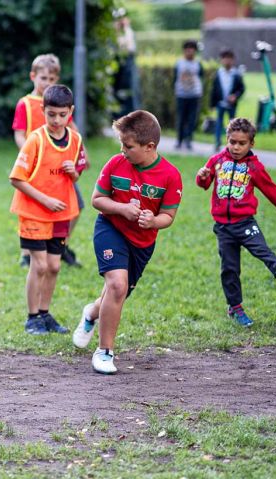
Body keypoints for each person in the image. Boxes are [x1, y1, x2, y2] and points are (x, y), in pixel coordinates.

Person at [72, 110, 182, 374]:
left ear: (150, 146)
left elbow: (168, 216)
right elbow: (98, 199)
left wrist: (153, 221)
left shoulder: (170, 175)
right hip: (110, 228)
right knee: (117, 285)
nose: (122, 150)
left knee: (117, 294)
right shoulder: (115, 164)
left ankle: (91, 313)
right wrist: (121, 209)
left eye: (128, 146)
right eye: (121, 144)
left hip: (142, 244)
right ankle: (105, 353)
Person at [196, 117, 276, 327]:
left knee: (263, 250)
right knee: (230, 268)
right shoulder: (217, 161)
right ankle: (235, 308)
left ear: (251, 143)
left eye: (241, 143)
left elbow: (272, 190)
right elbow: (205, 184)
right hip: (224, 228)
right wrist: (201, 176)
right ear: (227, 139)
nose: (236, 147)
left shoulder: (254, 167)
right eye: (232, 141)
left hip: (245, 223)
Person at [8, 85, 87, 335]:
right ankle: (32, 318)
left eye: (62, 114)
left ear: (70, 112)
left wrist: (73, 173)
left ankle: (45, 314)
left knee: (54, 266)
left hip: (61, 213)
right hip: (34, 212)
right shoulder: (36, 140)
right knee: (39, 265)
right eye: (51, 114)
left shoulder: (75, 140)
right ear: (43, 110)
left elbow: (75, 176)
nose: (56, 120)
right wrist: (45, 200)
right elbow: (16, 179)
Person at [12, 54, 88, 269]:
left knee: (75, 206)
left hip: (61, 170)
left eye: (52, 79)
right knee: (31, 207)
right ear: (33, 77)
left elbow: (73, 131)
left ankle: (61, 245)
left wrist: (83, 154)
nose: (47, 83)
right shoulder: (25, 104)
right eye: (43, 78)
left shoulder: (60, 104)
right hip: (35, 168)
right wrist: (29, 153)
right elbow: (19, 133)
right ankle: (27, 253)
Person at [211, 49, 246, 148]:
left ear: (233, 60)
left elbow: (242, 88)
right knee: (219, 123)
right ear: (221, 60)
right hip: (220, 103)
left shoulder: (236, 74)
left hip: (232, 104)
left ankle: (231, 143)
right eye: (225, 59)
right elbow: (214, 90)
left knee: (232, 125)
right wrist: (212, 104)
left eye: (229, 59)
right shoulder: (218, 74)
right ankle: (217, 142)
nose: (227, 61)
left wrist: (235, 96)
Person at [173, 40, 204, 150]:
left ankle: (189, 140)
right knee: (181, 118)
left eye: (192, 49)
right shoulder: (179, 63)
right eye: (187, 49)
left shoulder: (198, 64)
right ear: (184, 51)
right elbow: (174, 78)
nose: (190, 51)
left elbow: (201, 77)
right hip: (181, 94)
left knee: (192, 119)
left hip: (194, 95)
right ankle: (179, 140)